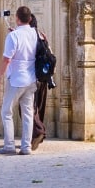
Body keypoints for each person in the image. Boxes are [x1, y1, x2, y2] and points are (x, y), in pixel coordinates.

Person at [0, 6, 40, 155]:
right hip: (31, 78)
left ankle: (9, 145)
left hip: (16, 79)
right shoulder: (35, 33)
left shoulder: (13, 36)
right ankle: (26, 147)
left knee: (6, 111)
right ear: (30, 19)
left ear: (17, 19)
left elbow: (6, 60)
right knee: (27, 113)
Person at [31, 21, 58, 150]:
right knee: (39, 107)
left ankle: (39, 131)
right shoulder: (42, 37)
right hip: (44, 77)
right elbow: (51, 55)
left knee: (28, 107)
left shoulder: (28, 37)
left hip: (32, 77)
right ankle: (35, 136)